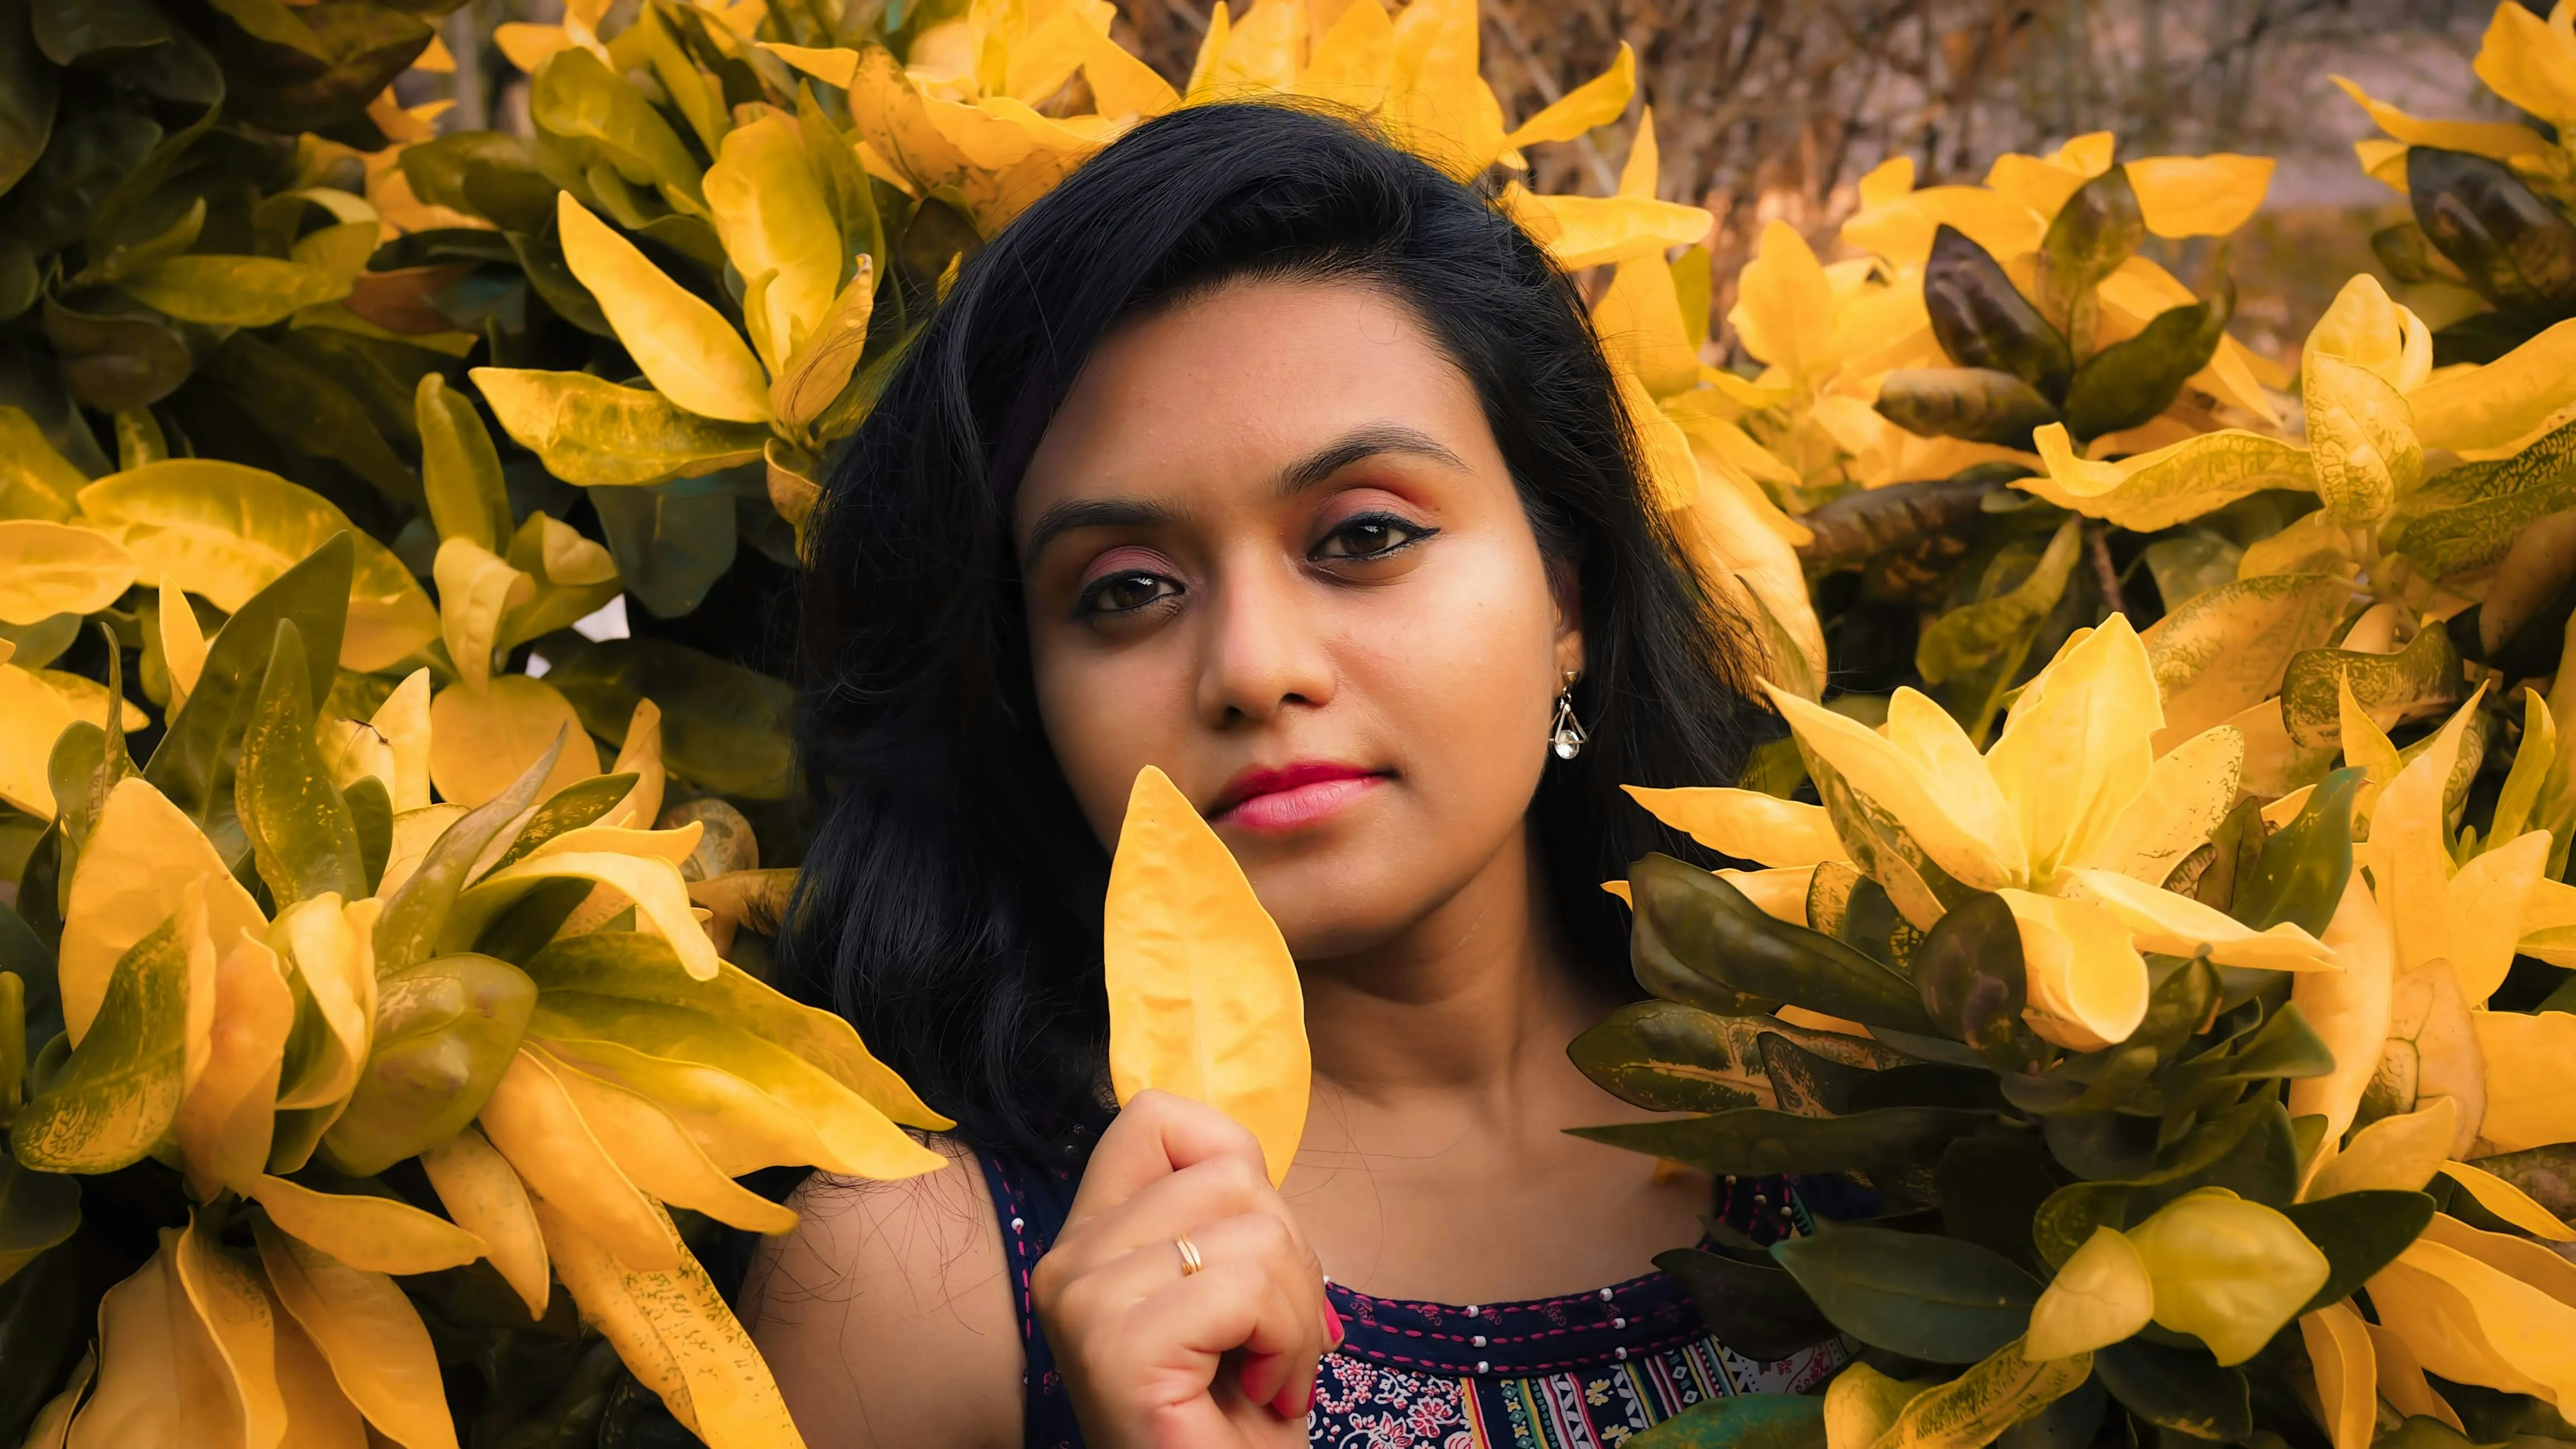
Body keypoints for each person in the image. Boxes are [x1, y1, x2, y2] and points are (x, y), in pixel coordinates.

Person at [745, 99, 1841, 1448]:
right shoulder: (926, 1287)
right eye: (1128, 589)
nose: (1255, 669)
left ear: (1565, 594)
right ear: (1029, 690)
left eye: (1365, 535)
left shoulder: (1897, 1129)